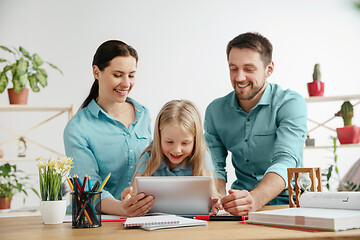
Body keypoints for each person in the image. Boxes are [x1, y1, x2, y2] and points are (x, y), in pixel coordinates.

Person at [204, 32, 307, 216]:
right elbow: (215, 166)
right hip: (240, 206)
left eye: (249, 69)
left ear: (269, 69)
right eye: (233, 68)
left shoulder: (290, 103)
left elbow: (286, 160)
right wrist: (217, 200)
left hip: (289, 203)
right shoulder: (215, 111)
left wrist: (255, 200)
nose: (239, 77)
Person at [64, 40, 154, 216]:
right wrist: (122, 208)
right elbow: (87, 189)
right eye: (118, 75)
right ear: (96, 72)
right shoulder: (78, 128)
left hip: (141, 217)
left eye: (131, 75)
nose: (126, 83)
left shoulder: (144, 115)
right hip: (96, 221)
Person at [134, 99, 222, 215]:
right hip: (155, 222)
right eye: (169, 142)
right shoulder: (148, 158)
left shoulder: (202, 157)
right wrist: (130, 201)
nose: (176, 150)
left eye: (185, 143)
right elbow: (133, 195)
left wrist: (215, 203)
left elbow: (213, 195)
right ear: (159, 136)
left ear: (195, 140)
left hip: (194, 224)